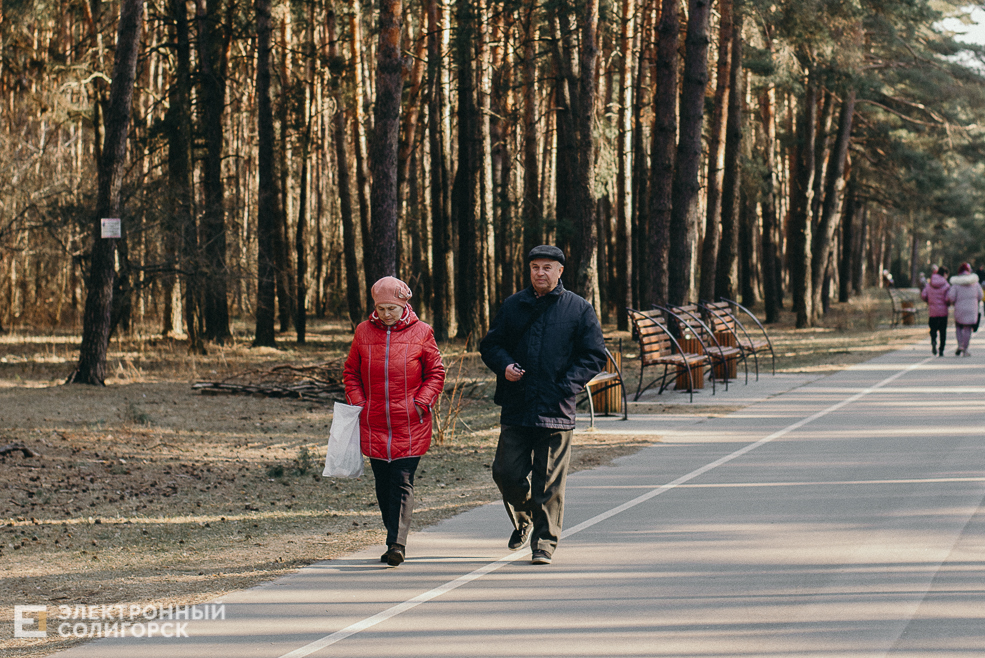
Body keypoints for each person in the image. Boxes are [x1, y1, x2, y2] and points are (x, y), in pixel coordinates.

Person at [479, 245, 607, 565]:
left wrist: (567, 386)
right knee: (505, 472)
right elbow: (491, 344)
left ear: (560, 271)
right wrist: (505, 365)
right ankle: (524, 518)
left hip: (556, 408)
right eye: (535, 267)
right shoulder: (513, 305)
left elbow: (594, 355)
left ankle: (544, 543)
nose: (540, 272)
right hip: (517, 404)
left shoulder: (578, 309)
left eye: (547, 267)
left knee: (548, 481)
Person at [343, 276, 445, 566]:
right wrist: (359, 402)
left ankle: (396, 544)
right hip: (373, 421)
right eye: (382, 308)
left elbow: (435, 372)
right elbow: (351, 372)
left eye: (393, 309)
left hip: (410, 422)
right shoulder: (363, 332)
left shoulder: (422, 332)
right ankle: (393, 535)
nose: (387, 315)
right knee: (383, 483)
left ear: (404, 305)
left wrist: (421, 403)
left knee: (401, 482)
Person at [946, 263, 983, 356]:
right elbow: (981, 295)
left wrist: (953, 302)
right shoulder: (975, 282)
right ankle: (965, 348)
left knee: (958, 327)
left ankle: (960, 345)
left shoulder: (956, 283)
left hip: (959, 309)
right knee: (968, 328)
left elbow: (951, 297)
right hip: (971, 309)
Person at [921, 265, 950, 356]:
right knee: (943, 331)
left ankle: (933, 341)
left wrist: (928, 300)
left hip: (932, 312)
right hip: (943, 312)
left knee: (933, 328)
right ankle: (941, 349)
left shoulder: (929, 284)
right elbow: (947, 298)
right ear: (944, 274)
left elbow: (924, 295)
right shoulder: (946, 285)